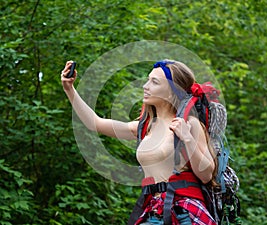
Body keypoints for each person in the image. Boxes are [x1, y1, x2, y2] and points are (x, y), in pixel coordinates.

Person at [61, 60, 217, 225]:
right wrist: (69, 89)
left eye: (154, 82)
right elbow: (94, 123)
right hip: (153, 210)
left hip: (184, 213)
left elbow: (206, 175)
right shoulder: (145, 127)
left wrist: (188, 138)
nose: (145, 86)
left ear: (172, 92)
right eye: (148, 79)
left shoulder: (189, 124)